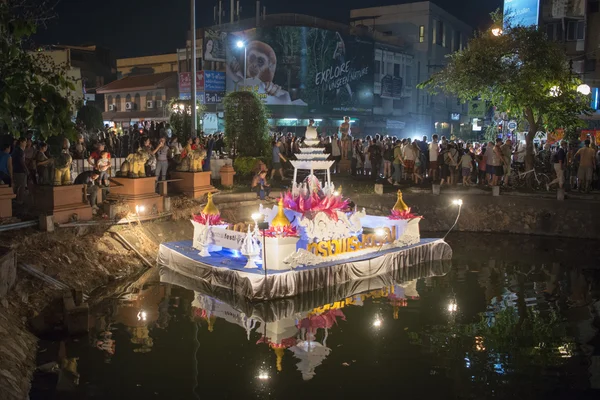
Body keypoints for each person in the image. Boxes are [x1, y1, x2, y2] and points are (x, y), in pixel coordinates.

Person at [11, 137, 27, 203]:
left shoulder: (15, 150)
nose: (25, 143)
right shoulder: (19, 151)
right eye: (25, 142)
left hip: (15, 170)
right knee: (21, 186)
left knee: (17, 186)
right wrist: (26, 170)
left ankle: (16, 200)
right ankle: (20, 200)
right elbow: (21, 162)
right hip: (20, 171)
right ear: (21, 142)